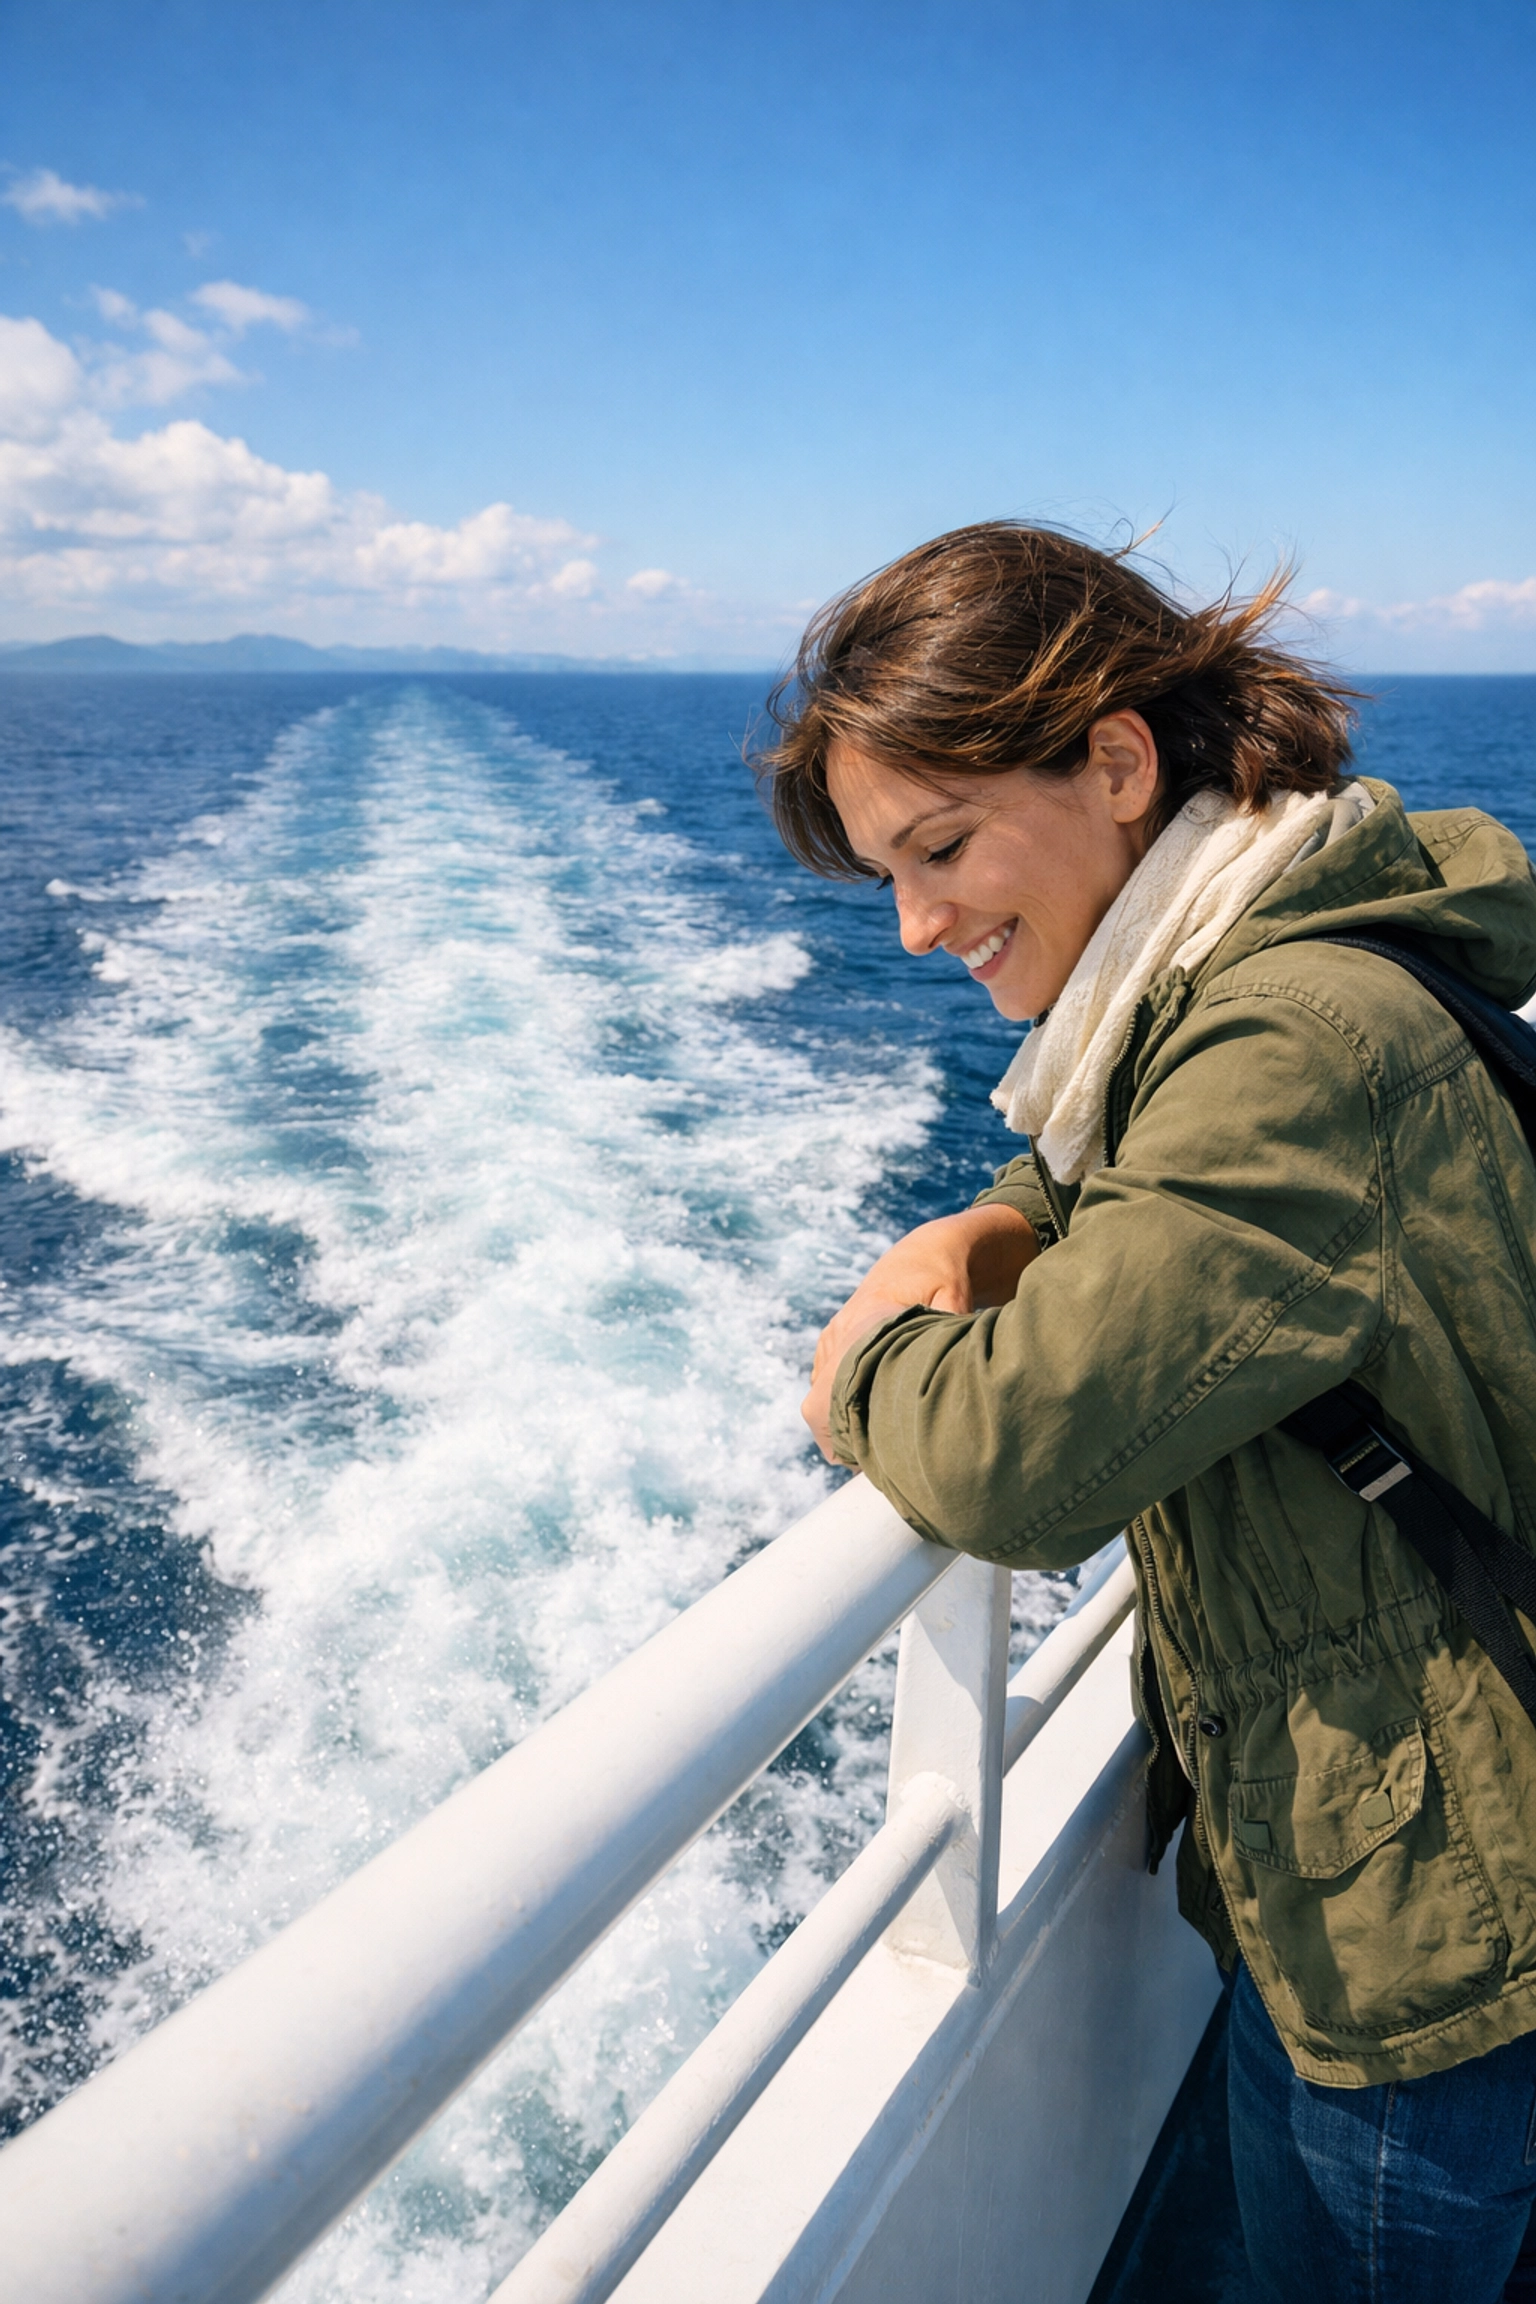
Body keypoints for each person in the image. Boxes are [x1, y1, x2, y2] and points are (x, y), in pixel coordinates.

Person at [754, 522, 1536, 2304]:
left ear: (1117, 759)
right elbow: (1145, 1169)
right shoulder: (1274, 966)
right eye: (887, 874)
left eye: (942, 849)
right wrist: (1009, 1211)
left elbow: (1011, 1456)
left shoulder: (1290, 1045)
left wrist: (865, 1353)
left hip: (1439, 1929)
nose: (919, 926)